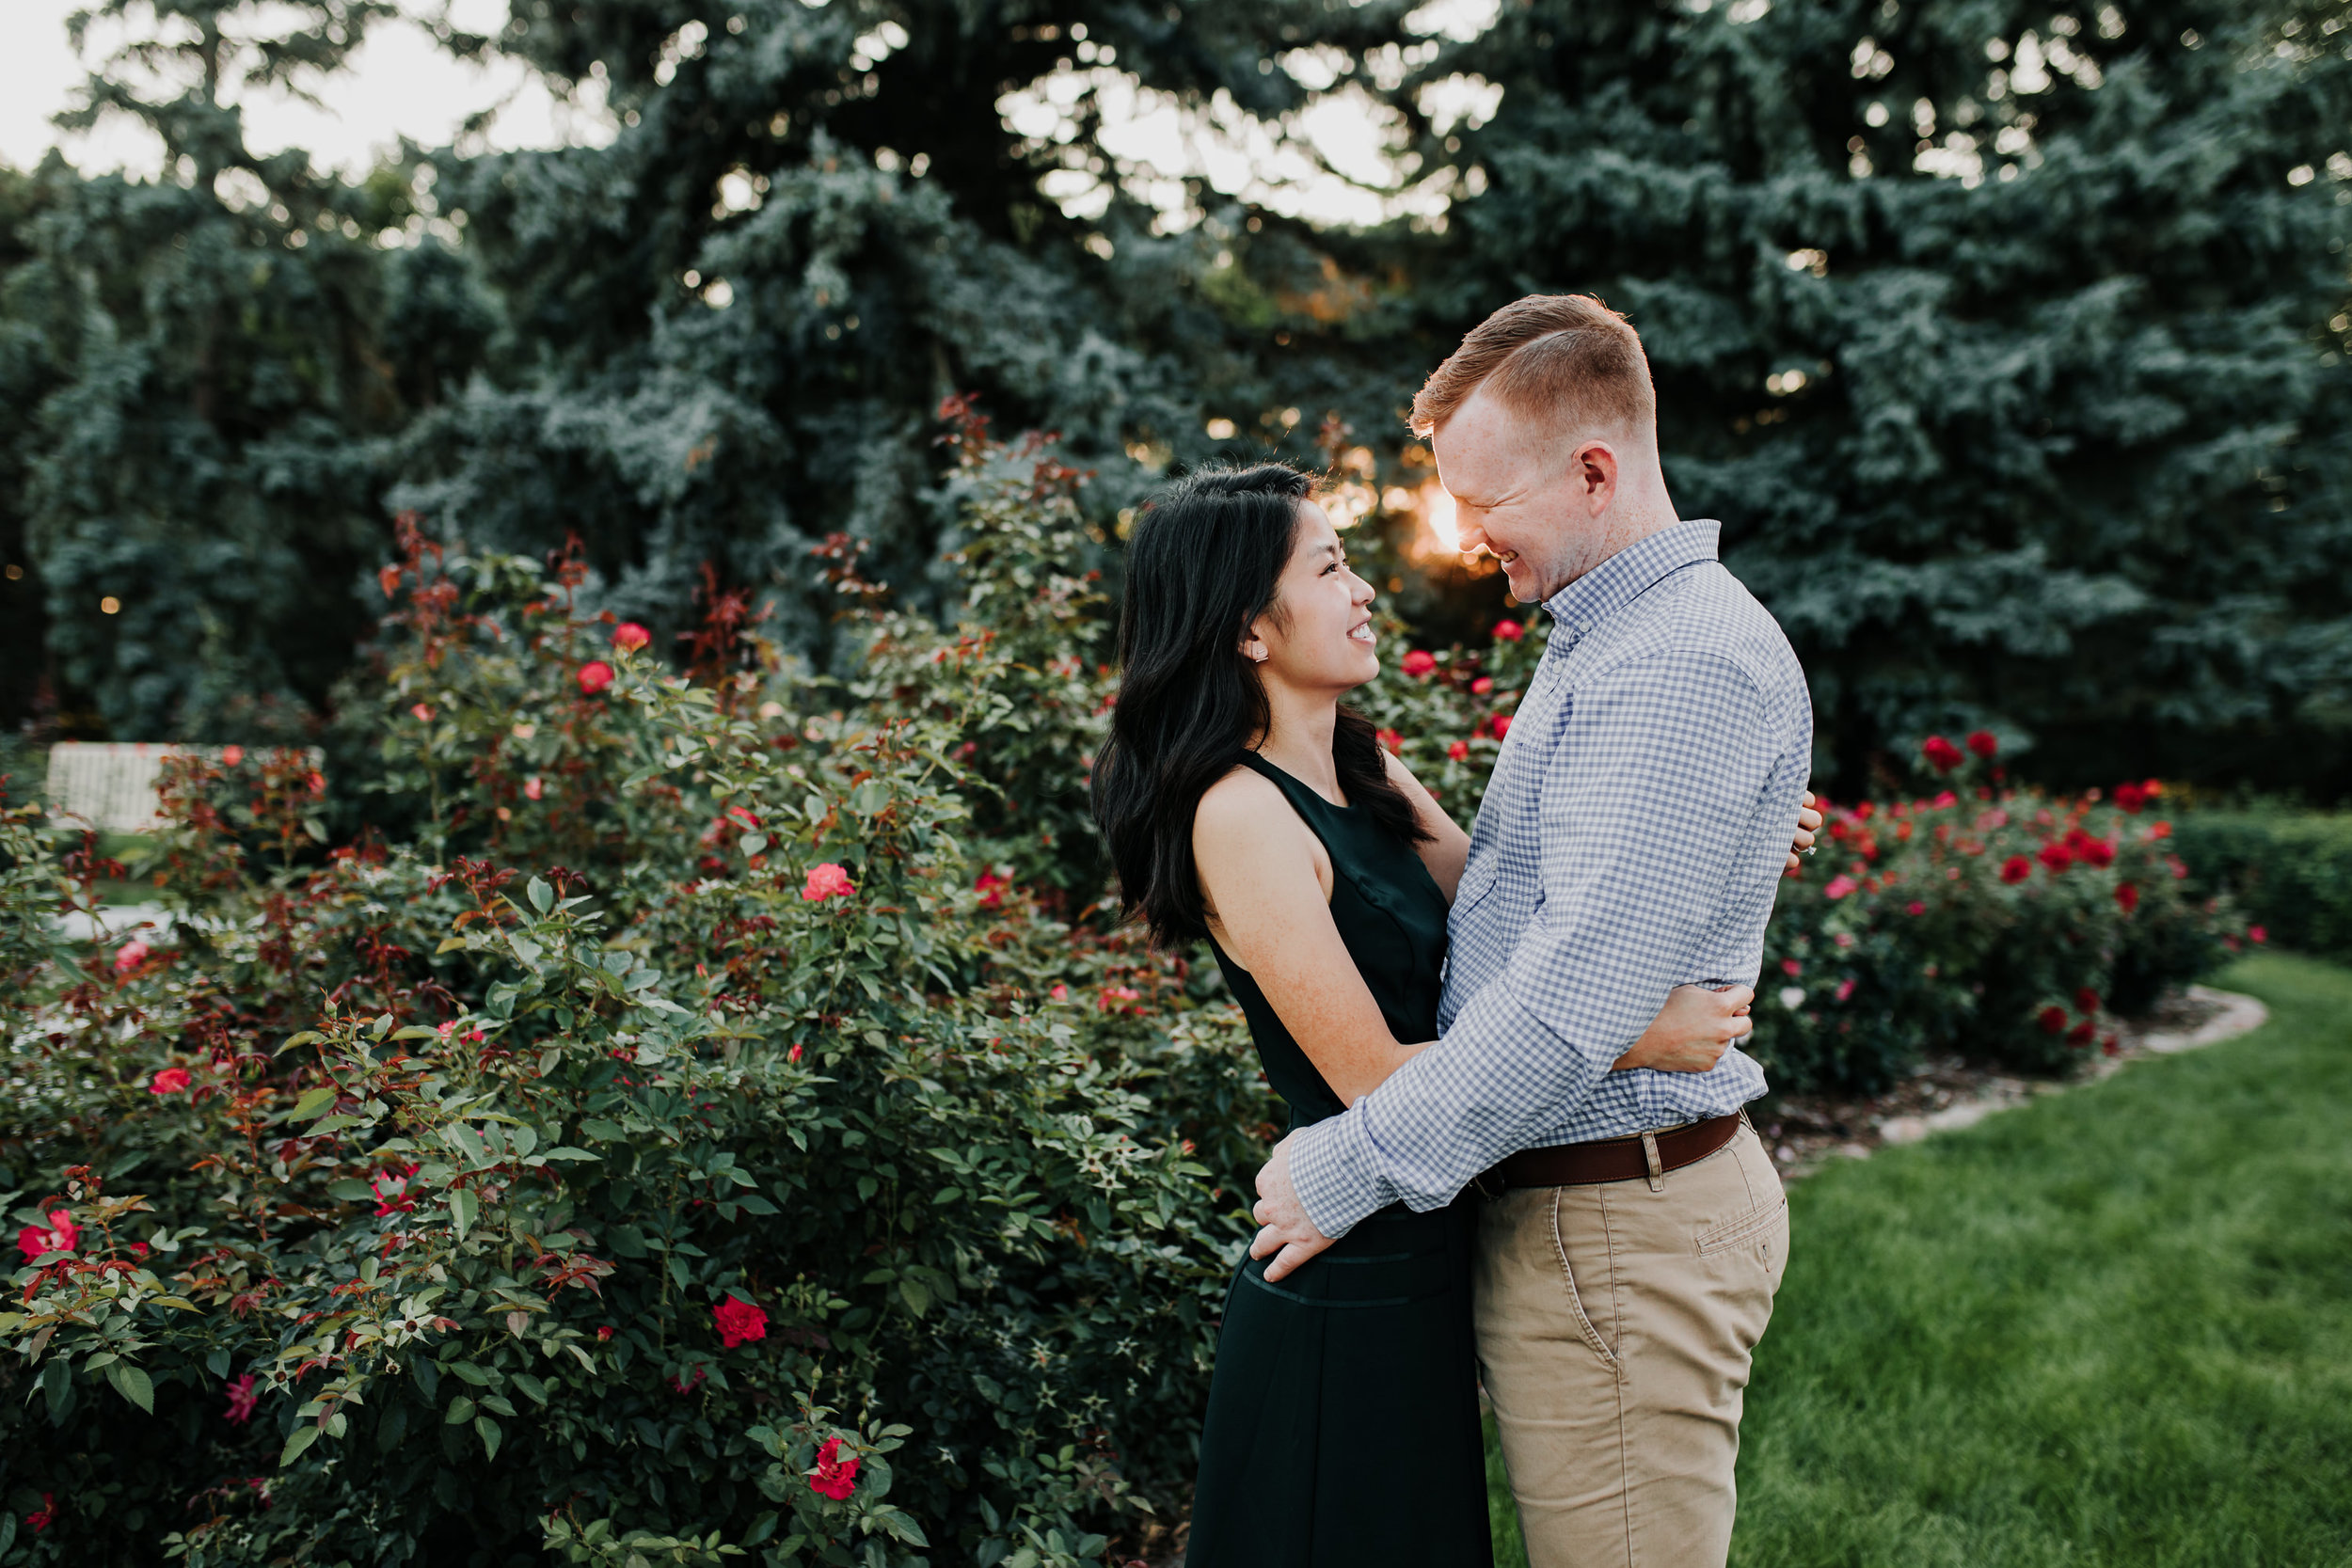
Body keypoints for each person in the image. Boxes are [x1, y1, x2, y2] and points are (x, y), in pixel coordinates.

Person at [1089, 457, 1820, 1567]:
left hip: (1430, 1236)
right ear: (1247, 628)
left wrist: (1722, 809)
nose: (1363, 590)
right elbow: (1376, 1079)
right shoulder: (1238, 815)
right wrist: (1637, 1038)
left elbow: (1522, 923)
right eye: (1331, 567)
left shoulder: (1361, 761)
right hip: (1349, 1273)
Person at [1246, 293, 1816, 1568]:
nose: (1459, 535)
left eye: (1481, 498)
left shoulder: (1675, 662)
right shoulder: (1614, 638)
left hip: (1617, 1225)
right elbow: (1539, 896)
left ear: (1594, 470)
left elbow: (1569, 994)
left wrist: (1350, 1165)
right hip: (1592, 1206)